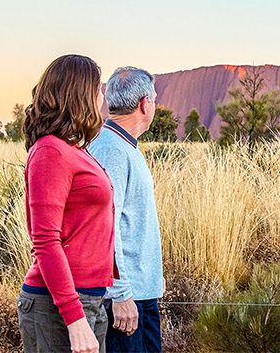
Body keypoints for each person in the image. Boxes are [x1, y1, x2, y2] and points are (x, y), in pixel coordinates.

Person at [17, 54, 115, 353]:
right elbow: (45, 240)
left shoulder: (73, 149)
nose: (102, 97)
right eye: (98, 89)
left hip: (89, 298)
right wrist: (74, 319)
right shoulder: (51, 151)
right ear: (80, 94)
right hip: (59, 305)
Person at [89, 67, 165, 353]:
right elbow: (105, 226)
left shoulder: (122, 145)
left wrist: (153, 276)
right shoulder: (112, 150)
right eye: (154, 100)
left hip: (139, 293)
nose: (155, 106)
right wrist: (120, 294)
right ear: (145, 104)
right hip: (125, 301)